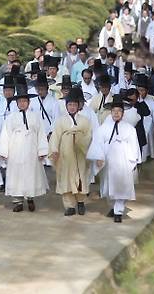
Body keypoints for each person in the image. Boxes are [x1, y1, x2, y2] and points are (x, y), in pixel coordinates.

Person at [87, 96, 141, 223]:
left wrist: (133, 160)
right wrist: (99, 157)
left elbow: (134, 144)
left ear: (123, 113)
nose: (116, 113)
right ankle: (113, 206)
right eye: (114, 111)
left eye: (119, 111)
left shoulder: (129, 129)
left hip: (123, 160)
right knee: (108, 186)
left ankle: (118, 211)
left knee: (122, 185)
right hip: (108, 160)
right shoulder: (104, 128)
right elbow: (97, 143)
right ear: (110, 112)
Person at [0, 85, 49, 212]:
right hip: (15, 151)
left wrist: (42, 151)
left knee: (31, 175)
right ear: (16, 103)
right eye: (20, 101)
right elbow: (5, 135)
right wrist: (4, 151)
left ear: (29, 102)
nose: (22, 103)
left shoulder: (36, 117)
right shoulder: (10, 118)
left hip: (31, 151)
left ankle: (30, 198)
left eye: (25, 101)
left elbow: (41, 134)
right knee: (16, 175)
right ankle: (17, 201)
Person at [48, 88, 92, 216]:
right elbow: (55, 136)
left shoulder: (85, 121)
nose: (72, 107)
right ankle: (69, 206)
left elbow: (89, 136)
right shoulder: (61, 121)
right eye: (69, 105)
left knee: (80, 177)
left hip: (79, 154)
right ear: (66, 106)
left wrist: (81, 141)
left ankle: (81, 202)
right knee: (65, 178)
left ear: (78, 106)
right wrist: (55, 150)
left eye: (74, 105)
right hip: (65, 155)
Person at [134, 74, 154, 160]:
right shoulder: (133, 101)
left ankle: (147, 155)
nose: (140, 93)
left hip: (149, 128)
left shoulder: (152, 102)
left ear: (147, 91)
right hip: (136, 127)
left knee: (147, 145)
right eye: (138, 90)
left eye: (142, 90)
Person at [29, 71, 59, 139]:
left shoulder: (54, 102)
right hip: (35, 133)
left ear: (47, 88)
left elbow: (56, 119)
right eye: (38, 89)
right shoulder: (33, 101)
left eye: (42, 89)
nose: (40, 91)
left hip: (49, 135)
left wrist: (51, 133)